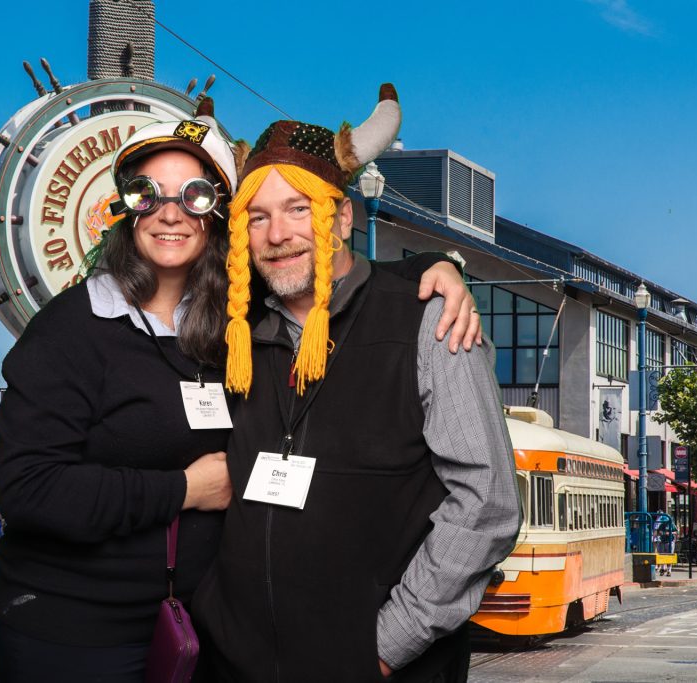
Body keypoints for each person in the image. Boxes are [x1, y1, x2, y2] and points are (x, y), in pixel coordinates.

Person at [0, 99, 480, 683]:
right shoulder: (72, 329)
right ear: (123, 209)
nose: (169, 214)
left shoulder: (231, 325)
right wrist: (182, 490)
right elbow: (28, 490)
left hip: (197, 634)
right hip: (75, 629)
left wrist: (433, 268)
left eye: (194, 195)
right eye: (147, 194)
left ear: (215, 214)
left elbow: (333, 282)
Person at [194, 84, 521, 681]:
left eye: (300, 209)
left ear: (342, 217)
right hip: (240, 663)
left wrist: (389, 644)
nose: (277, 234)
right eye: (257, 216)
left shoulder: (429, 321)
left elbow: (486, 503)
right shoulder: (235, 334)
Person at [654, 512, 676, 577]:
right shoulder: (661, 525)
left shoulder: (671, 525)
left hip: (670, 542)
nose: (664, 522)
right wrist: (658, 533)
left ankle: (669, 570)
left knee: (670, 556)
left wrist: (670, 533)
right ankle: (663, 569)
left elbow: (676, 532)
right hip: (662, 541)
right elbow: (658, 532)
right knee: (663, 556)